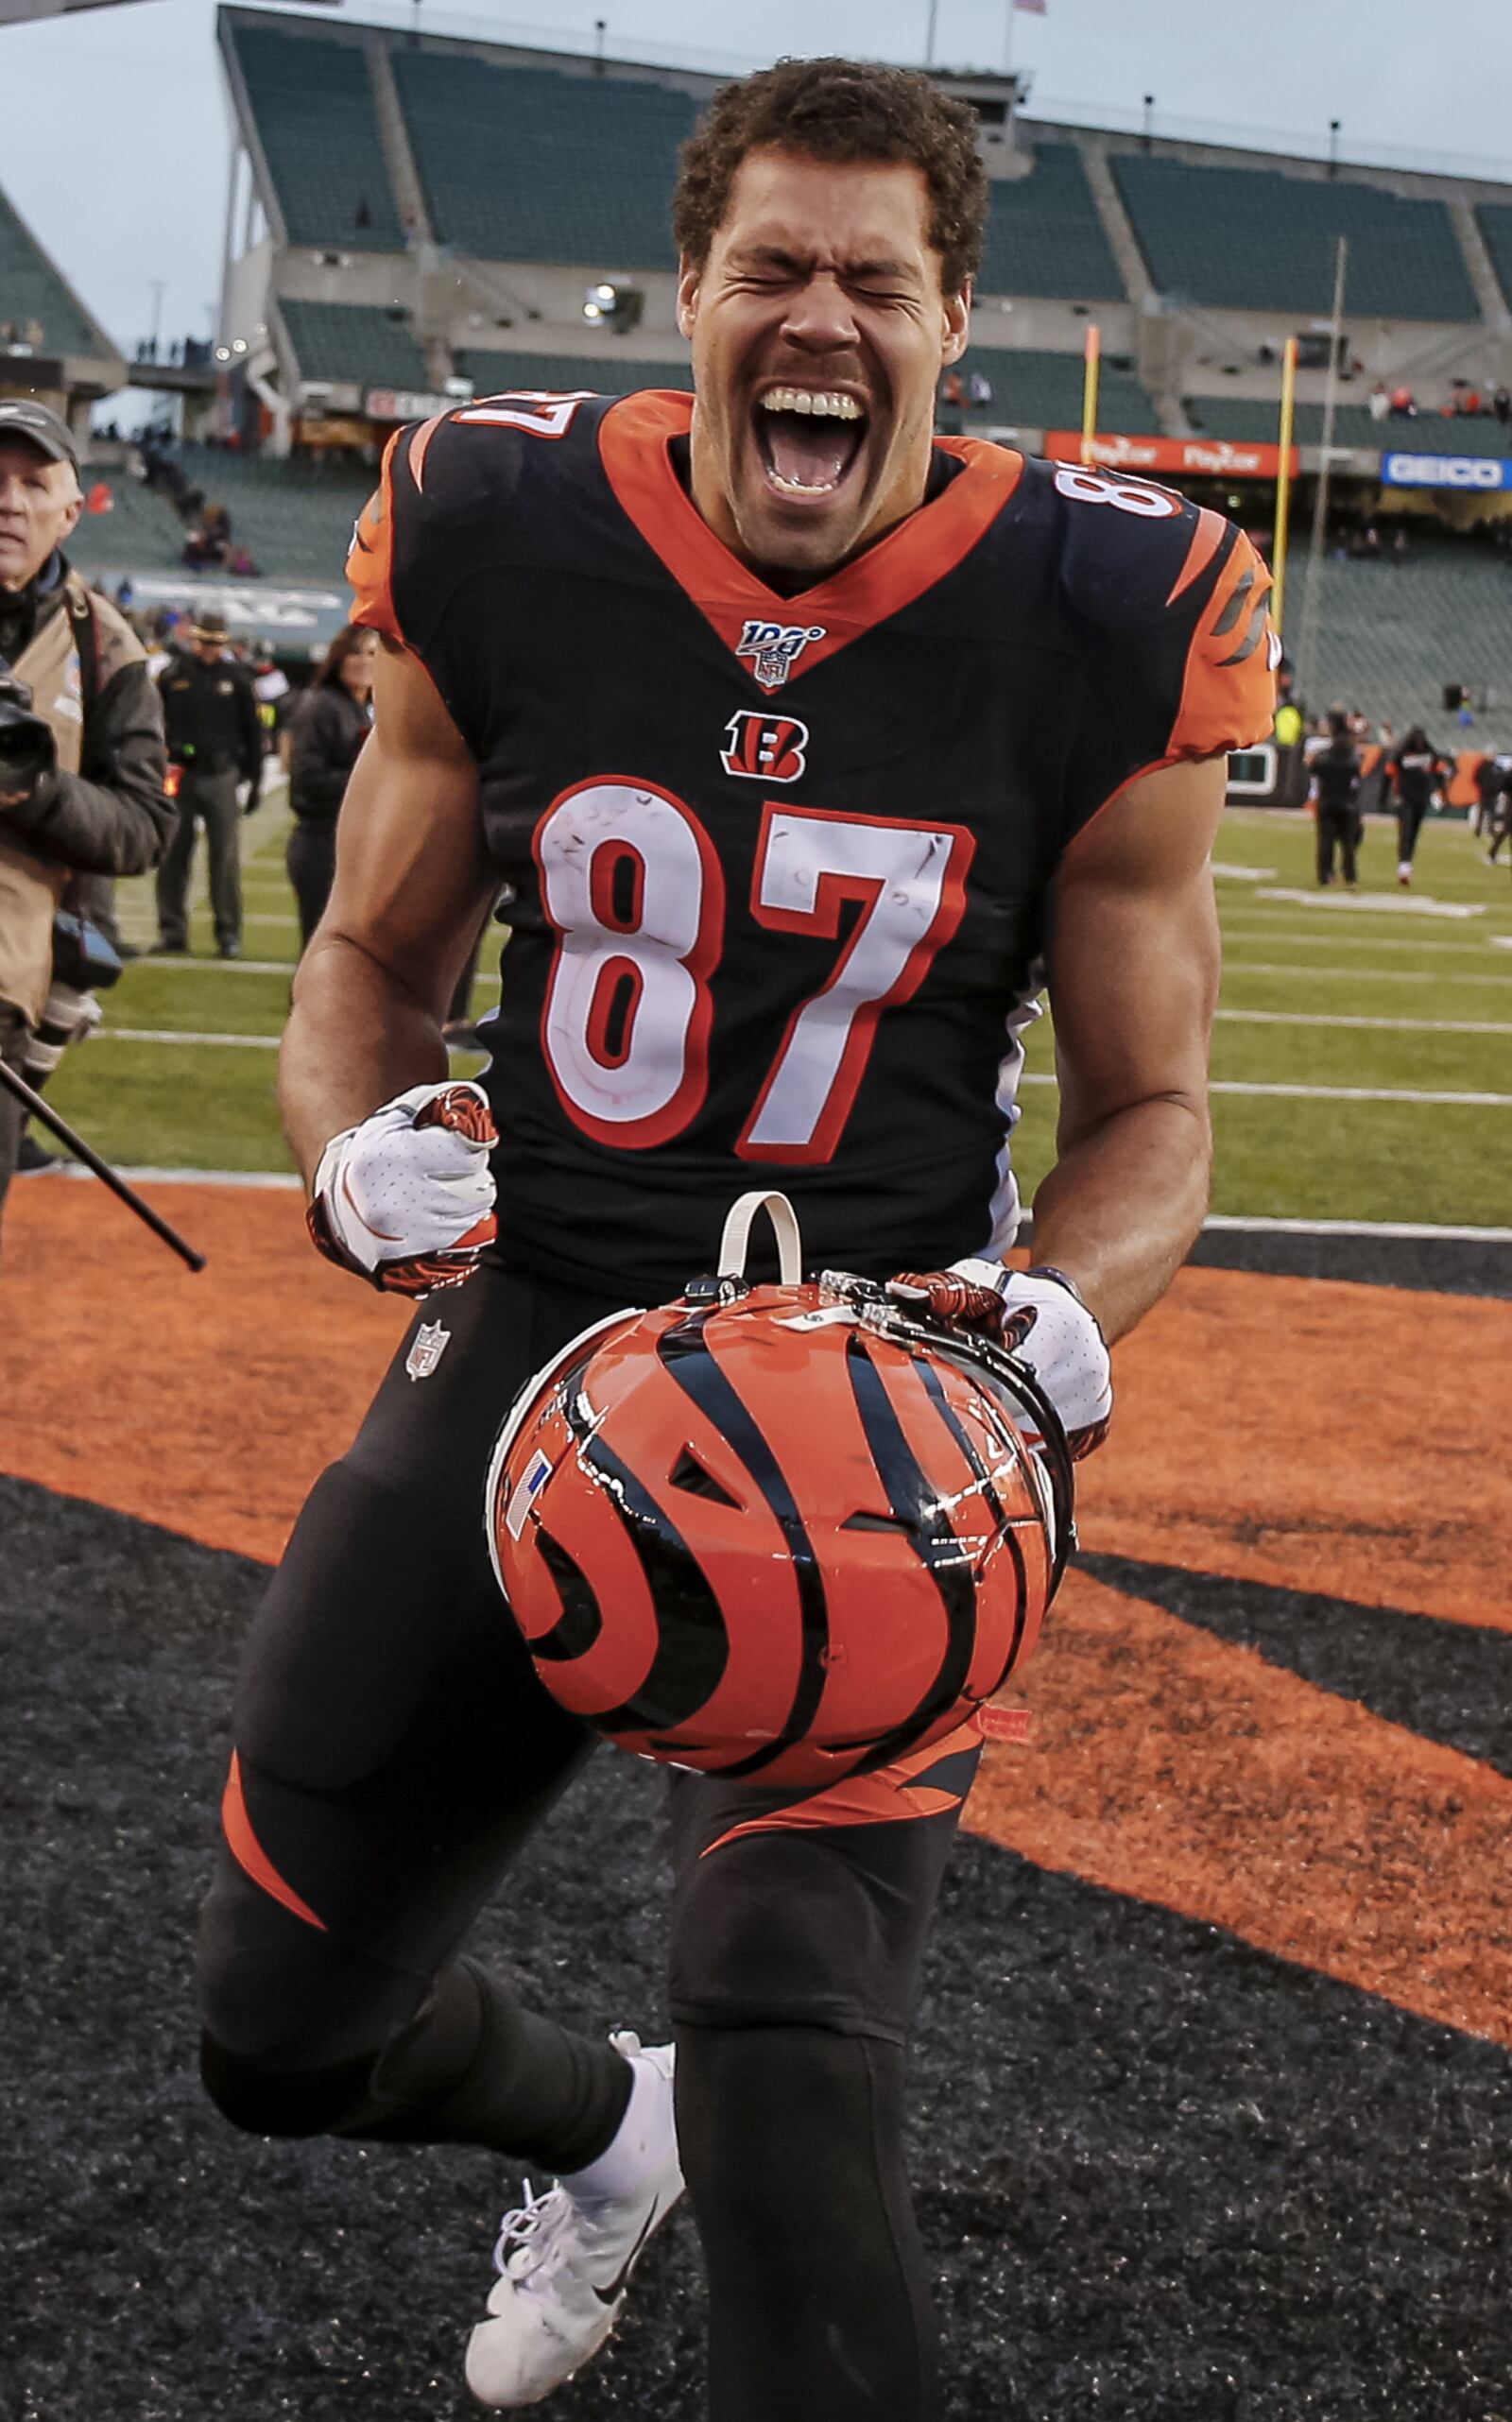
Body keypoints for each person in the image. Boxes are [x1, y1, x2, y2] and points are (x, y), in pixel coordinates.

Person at [195, 57, 1276, 2422]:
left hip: (860, 1400)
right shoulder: (491, 518)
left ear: (947, 316)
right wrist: (350, 1142)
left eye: (870, 279)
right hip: (527, 1343)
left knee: (805, 2103)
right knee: (278, 2038)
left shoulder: (1105, 599)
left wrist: (1037, 1323)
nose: (818, 315)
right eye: (769, 269)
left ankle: (713, 2122)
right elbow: (362, 971)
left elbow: (1156, 1112)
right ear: (683, 296)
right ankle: (600, 2132)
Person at [0, 398, 170, 1236]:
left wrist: (30, 789)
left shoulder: (105, 645)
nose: (9, 501)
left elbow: (144, 827)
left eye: (34, 484)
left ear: (71, 510)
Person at [154, 607, 263, 956]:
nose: (209, 649)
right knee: (172, 854)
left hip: (222, 773)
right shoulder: (172, 676)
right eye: (204, 641)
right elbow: (156, 725)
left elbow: (253, 731)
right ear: (193, 638)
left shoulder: (239, 678)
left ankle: (228, 934)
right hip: (180, 774)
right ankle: (172, 932)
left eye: (215, 643)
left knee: (225, 859)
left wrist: (255, 781)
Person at [285, 624, 375, 950]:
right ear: (339, 658)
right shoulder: (323, 705)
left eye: (372, 654)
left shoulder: (363, 710)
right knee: (322, 953)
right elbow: (306, 780)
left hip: (349, 842)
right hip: (322, 840)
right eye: (356, 652)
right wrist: (368, 782)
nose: (364, 661)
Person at [1389, 724, 1448, 886]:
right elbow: (1390, 773)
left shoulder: (1430, 753)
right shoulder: (1401, 754)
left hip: (1421, 798)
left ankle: (1406, 863)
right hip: (1405, 798)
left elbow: (1439, 771)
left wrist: (1442, 792)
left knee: (1413, 833)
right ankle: (1404, 865)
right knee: (1406, 831)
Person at [1310, 708, 1361, 886]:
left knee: (1326, 839)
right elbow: (1356, 772)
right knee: (1348, 841)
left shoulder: (1325, 753)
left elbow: (1315, 768)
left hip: (1328, 799)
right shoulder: (1351, 750)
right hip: (1347, 801)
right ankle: (1350, 876)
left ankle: (1325, 875)